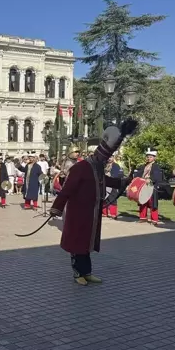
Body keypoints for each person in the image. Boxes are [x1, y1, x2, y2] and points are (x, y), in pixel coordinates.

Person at [50, 121, 136, 286]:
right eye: (105, 158)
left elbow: (106, 180)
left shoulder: (97, 168)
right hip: (77, 213)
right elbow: (66, 190)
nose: (106, 161)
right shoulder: (80, 168)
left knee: (86, 244)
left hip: (91, 213)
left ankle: (87, 272)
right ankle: (77, 274)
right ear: (98, 156)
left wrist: (124, 181)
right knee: (76, 243)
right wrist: (57, 207)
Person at [133, 148, 163, 226]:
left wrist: (150, 179)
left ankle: (154, 219)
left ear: (154, 158)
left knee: (152, 203)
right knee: (142, 201)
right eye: (148, 156)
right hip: (143, 186)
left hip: (151, 186)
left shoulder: (156, 166)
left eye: (150, 157)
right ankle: (142, 217)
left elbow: (157, 176)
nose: (148, 158)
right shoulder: (143, 166)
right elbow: (138, 174)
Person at [102, 155, 123, 219]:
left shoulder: (116, 165)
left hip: (113, 184)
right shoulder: (104, 164)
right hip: (104, 183)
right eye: (108, 157)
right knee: (104, 198)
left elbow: (119, 175)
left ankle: (113, 214)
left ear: (113, 158)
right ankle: (104, 213)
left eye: (111, 157)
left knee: (113, 198)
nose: (109, 158)